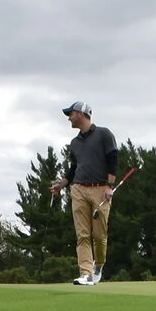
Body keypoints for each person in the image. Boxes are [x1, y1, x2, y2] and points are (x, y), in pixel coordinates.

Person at [53, 100, 118, 285]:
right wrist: (62, 184)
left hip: (100, 189)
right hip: (79, 189)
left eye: (70, 114)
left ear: (81, 114)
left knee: (99, 235)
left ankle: (99, 265)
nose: (69, 118)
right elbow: (74, 168)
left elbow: (113, 158)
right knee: (82, 234)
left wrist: (109, 186)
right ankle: (85, 273)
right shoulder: (74, 143)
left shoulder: (104, 134)